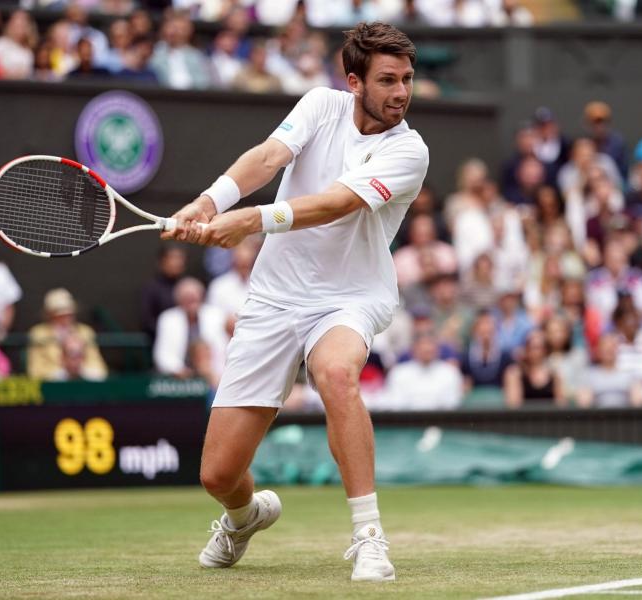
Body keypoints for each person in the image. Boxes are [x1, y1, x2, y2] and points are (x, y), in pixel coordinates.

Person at [162, 23, 427, 581]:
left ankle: (369, 536)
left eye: (406, 78)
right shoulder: (319, 105)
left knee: (336, 372)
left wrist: (250, 221)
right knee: (217, 474)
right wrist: (208, 202)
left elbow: (334, 204)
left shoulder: (409, 150)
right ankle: (245, 516)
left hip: (352, 296)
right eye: (387, 80)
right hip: (275, 297)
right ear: (354, 81)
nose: (401, 91)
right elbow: (267, 157)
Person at [153, 278, 229, 379]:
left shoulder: (217, 316)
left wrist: (210, 371)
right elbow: (162, 354)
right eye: (186, 298)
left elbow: (222, 349)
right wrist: (178, 369)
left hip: (213, 375)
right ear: (178, 300)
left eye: (194, 297)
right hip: (177, 377)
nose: (191, 301)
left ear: (201, 297)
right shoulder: (167, 319)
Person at [27, 289, 107, 382]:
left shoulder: (85, 332)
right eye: (60, 314)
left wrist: (80, 371)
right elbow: (35, 371)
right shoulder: (38, 334)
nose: (66, 318)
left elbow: (99, 369)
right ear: (50, 315)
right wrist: (63, 373)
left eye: (69, 314)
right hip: (52, 389)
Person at [379, 330, 463, 411]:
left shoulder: (450, 372)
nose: (427, 348)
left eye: (430, 344)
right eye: (422, 344)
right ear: (413, 349)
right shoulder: (399, 373)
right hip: (407, 423)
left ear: (437, 348)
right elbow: (395, 405)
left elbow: (452, 405)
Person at [576, 332, 642, 408]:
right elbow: (584, 402)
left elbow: (637, 401)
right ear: (598, 351)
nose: (609, 351)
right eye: (605, 348)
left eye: (612, 347)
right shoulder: (589, 375)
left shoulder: (629, 375)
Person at [503, 328, 561, 407]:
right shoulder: (514, 373)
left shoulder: (553, 374)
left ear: (546, 350)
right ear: (525, 348)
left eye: (540, 347)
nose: (535, 351)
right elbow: (513, 405)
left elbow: (561, 404)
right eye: (531, 346)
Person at [140, 244, 187, 339]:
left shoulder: (188, 286)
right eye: (173, 258)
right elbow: (147, 322)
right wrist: (169, 334)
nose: (178, 262)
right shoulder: (151, 288)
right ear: (162, 261)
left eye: (180, 258)